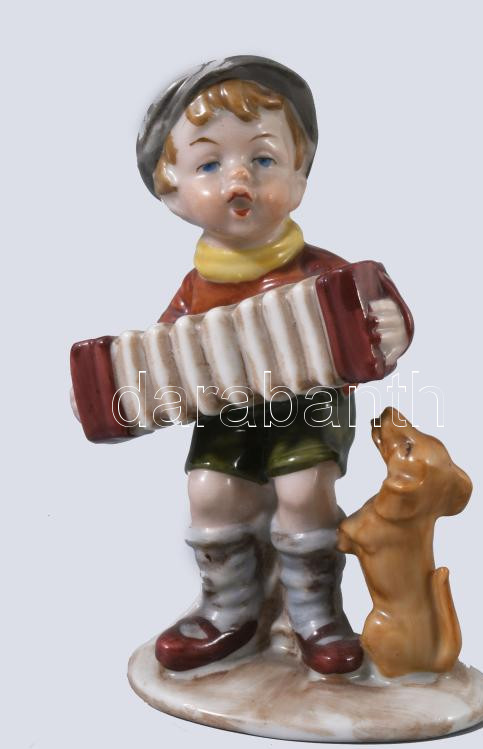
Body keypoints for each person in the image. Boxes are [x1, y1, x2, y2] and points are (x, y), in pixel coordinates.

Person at [74, 56, 414, 674]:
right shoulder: (196, 290)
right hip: (228, 414)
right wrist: (110, 388)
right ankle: (228, 608)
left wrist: (390, 328)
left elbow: (375, 316)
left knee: (304, 489)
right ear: (172, 192)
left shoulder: (322, 273)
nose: (239, 178)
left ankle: (315, 612)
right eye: (209, 164)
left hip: (309, 409)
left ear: (300, 177)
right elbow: (162, 357)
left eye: (263, 159)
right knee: (209, 491)